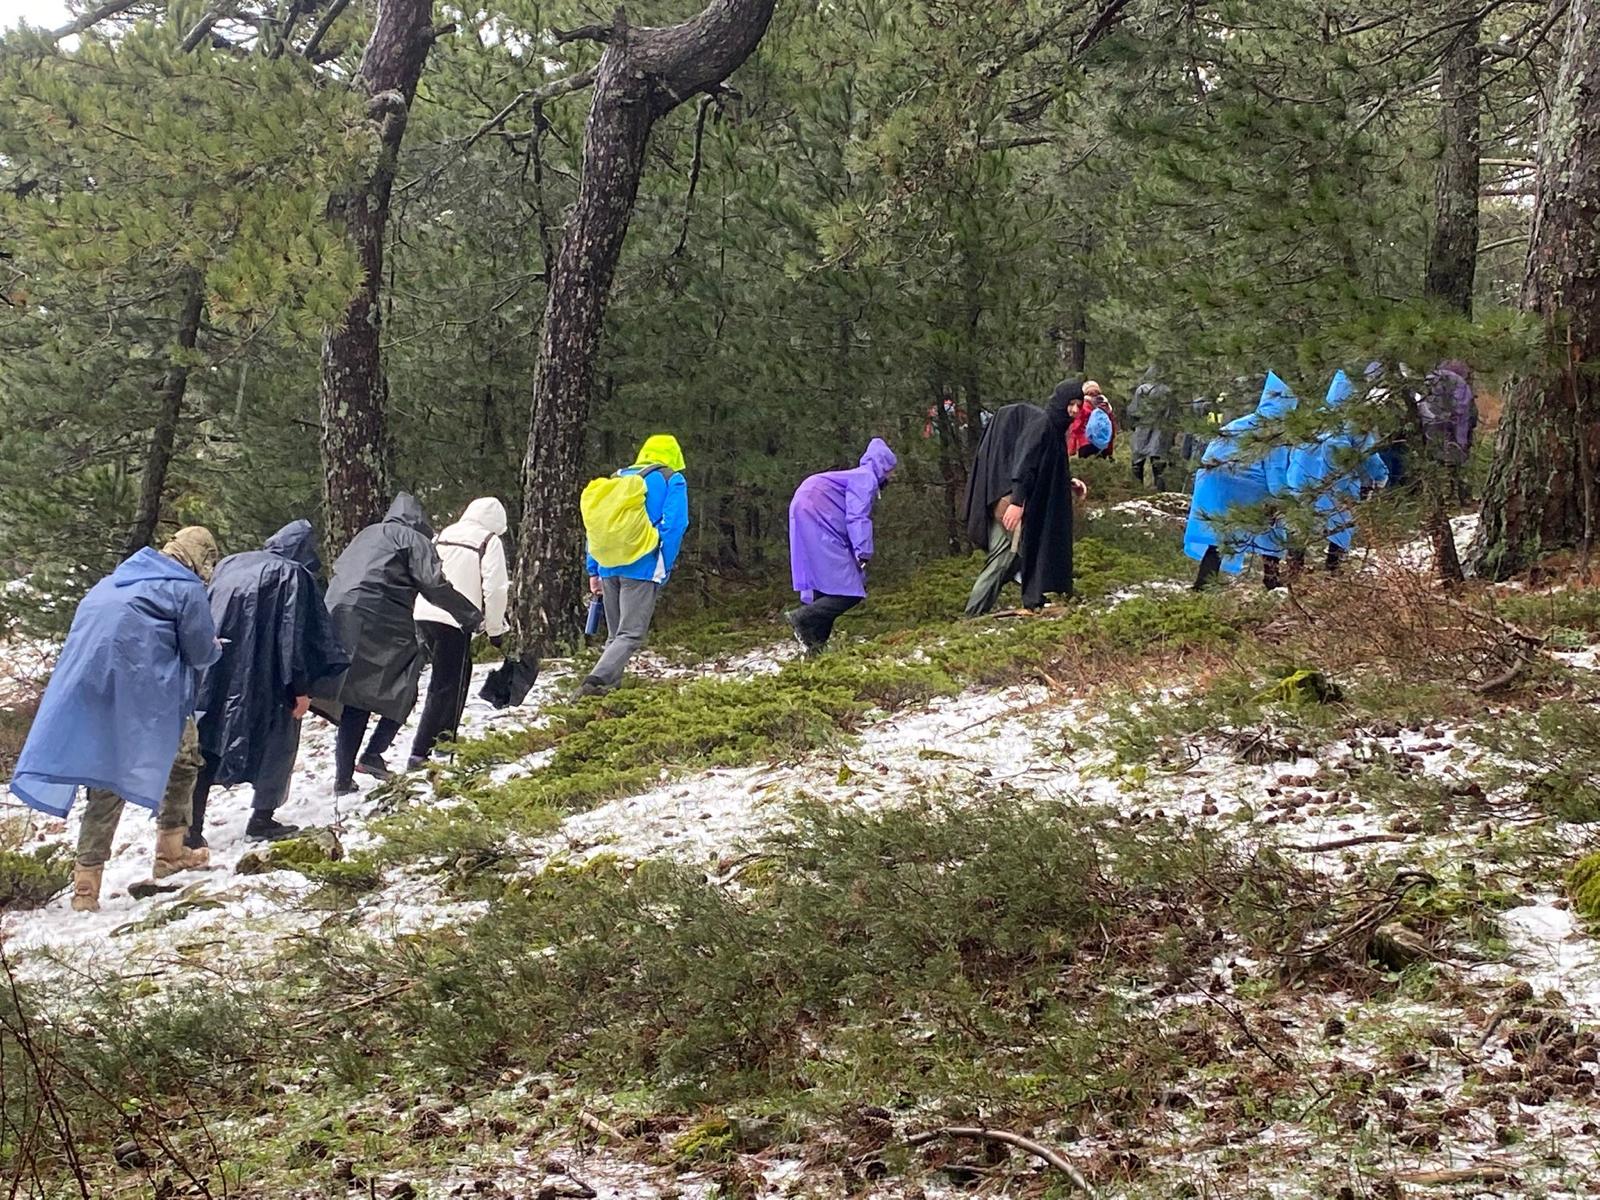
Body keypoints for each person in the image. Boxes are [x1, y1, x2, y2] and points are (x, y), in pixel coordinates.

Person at [12, 528, 221, 912]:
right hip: (147, 693)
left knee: (105, 778)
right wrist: (214, 649)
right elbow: (197, 649)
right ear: (202, 558)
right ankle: (170, 852)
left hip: (91, 686)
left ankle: (85, 886)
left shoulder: (117, 579)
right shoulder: (185, 587)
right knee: (186, 759)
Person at [188, 520, 350, 846]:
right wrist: (300, 688)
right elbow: (296, 633)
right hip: (270, 675)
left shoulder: (232, 564)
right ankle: (262, 818)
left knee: (210, 741)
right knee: (278, 742)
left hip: (219, 670)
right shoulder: (293, 574)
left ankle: (191, 828)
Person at [315, 494, 482, 796]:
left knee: (356, 695)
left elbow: (341, 570)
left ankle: (343, 779)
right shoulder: (413, 539)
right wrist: (470, 616)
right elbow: (434, 585)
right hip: (383, 617)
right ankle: (374, 753)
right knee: (406, 684)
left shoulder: (367, 534)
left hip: (340, 615)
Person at [962, 380, 1090, 617]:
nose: (1073, 409)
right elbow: (1025, 465)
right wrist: (1017, 503)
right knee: (1005, 556)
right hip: (1011, 502)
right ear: (1060, 402)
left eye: (1078, 404)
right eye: (1070, 404)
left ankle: (1033, 600)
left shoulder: (1055, 428)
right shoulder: (1043, 426)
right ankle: (973, 615)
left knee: (1017, 555)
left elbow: (1045, 468)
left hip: (1017, 501)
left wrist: (1066, 483)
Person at [576, 435, 689, 697]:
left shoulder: (618, 478)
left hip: (608, 565)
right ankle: (593, 683)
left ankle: (603, 700)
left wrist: (593, 568)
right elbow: (675, 525)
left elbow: (596, 526)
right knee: (631, 634)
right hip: (642, 565)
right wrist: (664, 563)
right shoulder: (672, 479)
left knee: (615, 637)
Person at [409, 497, 510, 766]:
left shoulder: (443, 535)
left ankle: (442, 741)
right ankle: (425, 750)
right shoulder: (489, 541)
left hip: (423, 612)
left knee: (456, 676)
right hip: (456, 618)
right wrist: (494, 628)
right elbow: (496, 589)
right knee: (447, 685)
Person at [1185, 371, 1300, 591]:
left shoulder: (1246, 421)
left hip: (1215, 479)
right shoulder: (1275, 430)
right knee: (1272, 525)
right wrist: (1288, 501)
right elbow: (1275, 477)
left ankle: (1203, 582)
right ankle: (1272, 578)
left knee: (1222, 532)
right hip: (1241, 482)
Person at [785, 438, 897, 653]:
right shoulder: (866, 479)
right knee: (850, 592)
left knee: (824, 586)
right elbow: (857, 516)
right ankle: (802, 618)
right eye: (891, 470)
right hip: (817, 512)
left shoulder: (855, 476)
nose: (891, 476)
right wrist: (863, 551)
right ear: (883, 466)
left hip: (807, 508)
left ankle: (815, 649)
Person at [1286, 371, 1390, 572]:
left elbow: (1294, 448)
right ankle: (1333, 567)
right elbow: (1367, 454)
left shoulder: (1315, 418)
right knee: (1342, 520)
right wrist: (1380, 476)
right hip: (1336, 481)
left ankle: (1294, 567)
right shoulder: (1353, 423)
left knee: (1301, 520)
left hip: (1301, 478)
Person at [1421, 359, 1478, 501]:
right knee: (1459, 460)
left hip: (1432, 427)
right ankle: (1462, 498)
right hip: (1457, 429)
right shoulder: (1459, 383)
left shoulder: (1430, 380)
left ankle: (1438, 498)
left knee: (1436, 460)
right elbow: (1463, 411)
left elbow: (1424, 406)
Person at [1128, 366, 1179, 489]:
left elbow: (1133, 411)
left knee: (1137, 464)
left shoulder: (1142, 390)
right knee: (1159, 467)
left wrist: (1133, 426)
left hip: (1142, 430)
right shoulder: (1169, 392)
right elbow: (1174, 415)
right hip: (1161, 432)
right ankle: (1160, 494)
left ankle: (1137, 492)